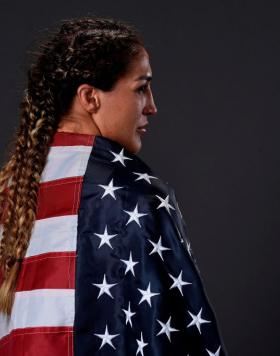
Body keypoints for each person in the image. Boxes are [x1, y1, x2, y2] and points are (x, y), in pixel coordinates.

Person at [0, 16, 227, 356]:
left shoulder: (11, 191)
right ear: (90, 98)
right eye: (140, 88)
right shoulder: (135, 193)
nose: (152, 106)